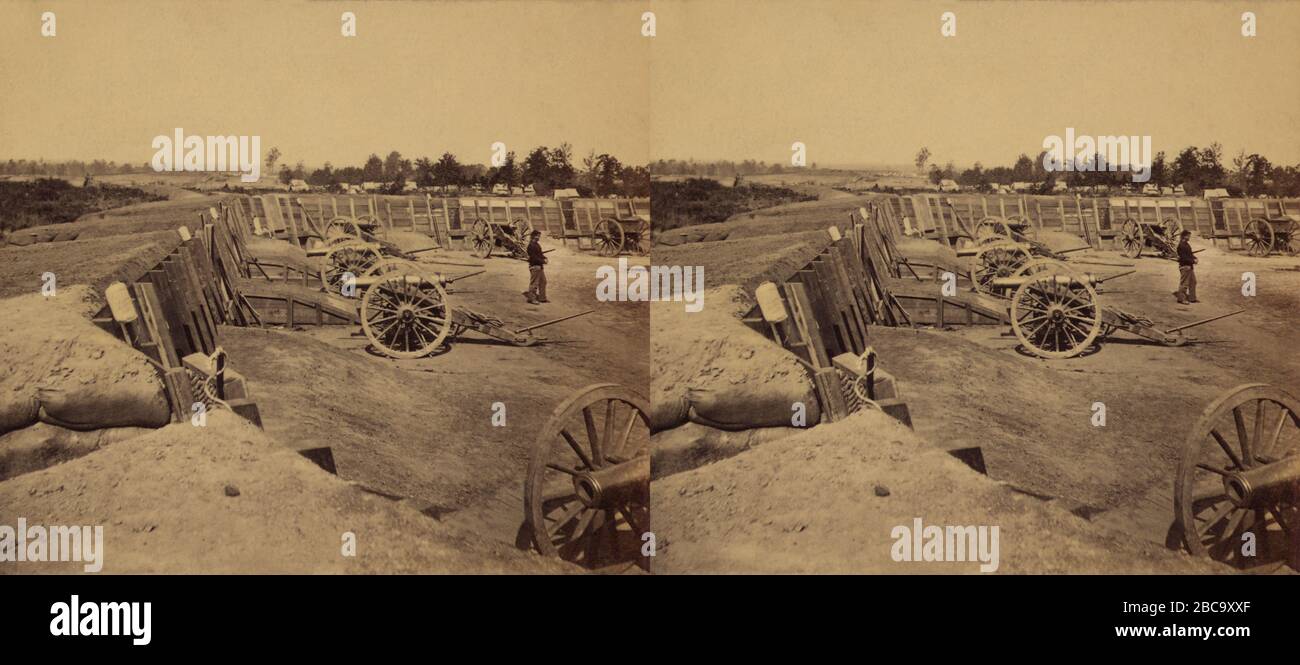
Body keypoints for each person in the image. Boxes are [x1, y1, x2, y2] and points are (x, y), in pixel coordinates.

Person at [524, 230, 548, 304]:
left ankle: (542, 298)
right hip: (534, 266)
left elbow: (540, 254)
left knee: (543, 282)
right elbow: (534, 258)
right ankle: (531, 299)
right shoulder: (531, 246)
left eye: (539, 236)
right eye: (537, 236)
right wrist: (543, 261)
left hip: (539, 266)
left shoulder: (537, 245)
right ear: (533, 236)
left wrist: (544, 257)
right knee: (534, 283)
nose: (539, 237)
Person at [1174, 230, 1198, 304]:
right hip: (1184, 266)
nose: (1189, 237)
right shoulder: (1181, 246)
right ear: (1184, 236)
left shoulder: (1187, 244)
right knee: (1184, 283)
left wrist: (1194, 257)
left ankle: (1192, 298)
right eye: (1188, 236)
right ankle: (1181, 299)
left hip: (1189, 266)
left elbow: (1190, 254)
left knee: (1193, 282)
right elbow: (1184, 258)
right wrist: (1193, 261)